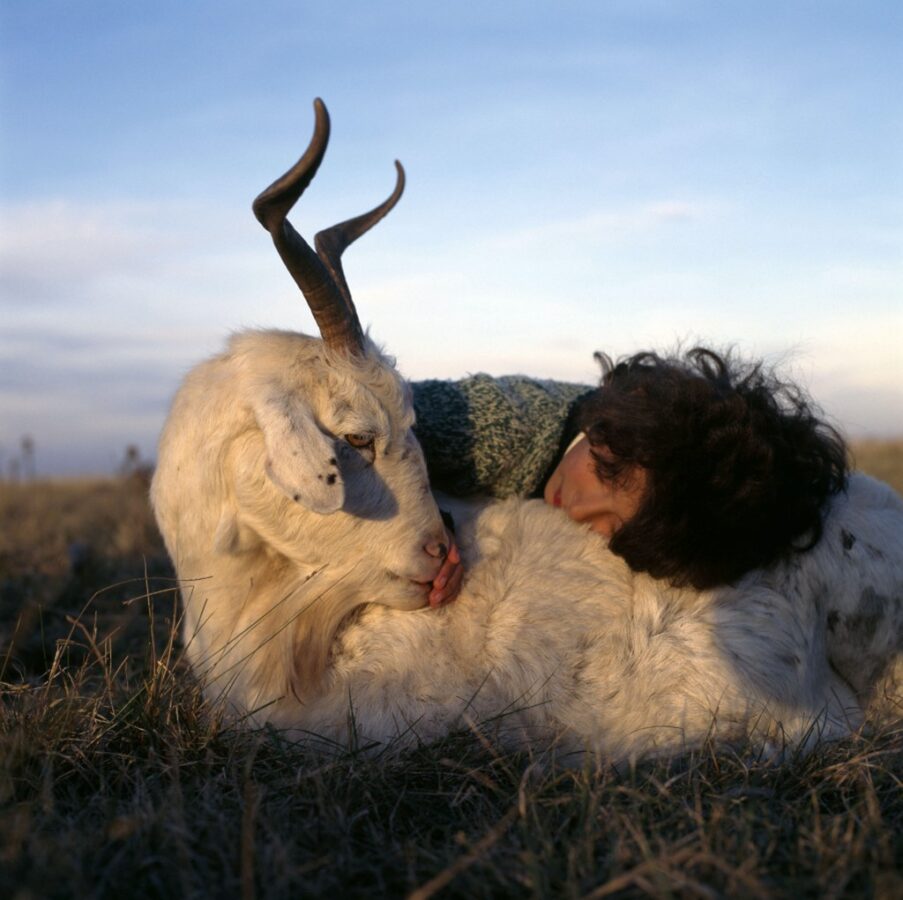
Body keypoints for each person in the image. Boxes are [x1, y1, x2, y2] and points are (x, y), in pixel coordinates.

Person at [413, 347, 849, 606]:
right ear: (621, 409)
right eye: (606, 474)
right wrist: (431, 521)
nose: (581, 510)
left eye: (614, 525)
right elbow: (376, 421)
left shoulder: (634, 447)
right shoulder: (498, 425)